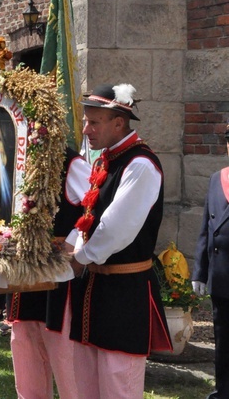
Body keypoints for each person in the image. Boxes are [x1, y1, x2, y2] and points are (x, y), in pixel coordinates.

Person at [67, 83, 171, 398]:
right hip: (94, 290)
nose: (86, 129)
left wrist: (78, 257)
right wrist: (69, 246)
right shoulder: (106, 161)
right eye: (86, 121)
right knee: (87, 382)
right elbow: (90, 215)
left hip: (125, 293)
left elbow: (115, 228)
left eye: (94, 122)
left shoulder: (140, 164)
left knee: (118, 384)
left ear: (119, 123)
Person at [6, 147, 89, 399]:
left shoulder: (70, 163)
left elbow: (96, 204)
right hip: (24, 271)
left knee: (65, 359)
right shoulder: (15, 158)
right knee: (25, 346)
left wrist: (74, 239)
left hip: (57, 272)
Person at [192, 122, 229, 399]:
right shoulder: (217, 178)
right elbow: (206, 227)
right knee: (223, 341)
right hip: (221, 277)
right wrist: (200, 272)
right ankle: (222, 391)